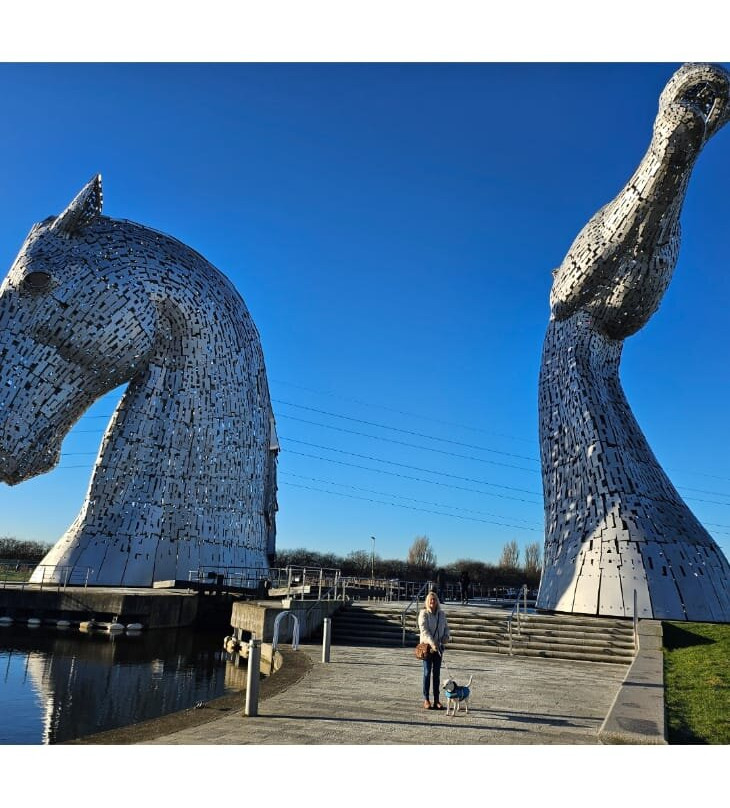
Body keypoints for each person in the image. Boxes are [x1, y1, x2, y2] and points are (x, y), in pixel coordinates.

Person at [418, 591, 451, 709]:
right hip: (427, 648)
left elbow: (447, 628)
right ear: (427, 601)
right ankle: (426, 699)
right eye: (430, 600)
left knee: (436, 674)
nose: (432, 602)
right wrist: (432, 644)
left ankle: (437, 699)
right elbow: (424, 631)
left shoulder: (441, 614)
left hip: (439, 648)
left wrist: (446, 637)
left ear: (437, 601)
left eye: (434, 599)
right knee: (427, 673)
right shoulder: (423, 614)